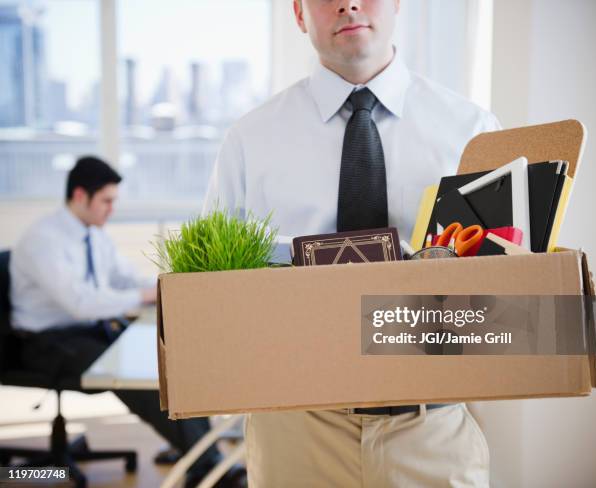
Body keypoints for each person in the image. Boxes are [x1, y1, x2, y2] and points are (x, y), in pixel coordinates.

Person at [203, 0, 502, 486]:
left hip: (432, 431)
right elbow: (214, 295)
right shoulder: (249, 141)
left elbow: (506, 296)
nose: (348, 4)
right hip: (295, 429)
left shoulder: (472, 133)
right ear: (298, 13)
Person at [10, 156, 244, 487]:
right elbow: (80, 303)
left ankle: (194, 450)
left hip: (88, 330)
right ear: (80, 196)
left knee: (168, 359)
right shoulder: (43, 240)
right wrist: (145, 296)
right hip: (45, 343)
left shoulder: (93, 234)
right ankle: (207, 465)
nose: (111, 209)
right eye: (106, 201)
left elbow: (126, 279)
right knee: (139, 377)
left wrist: (163, 286)